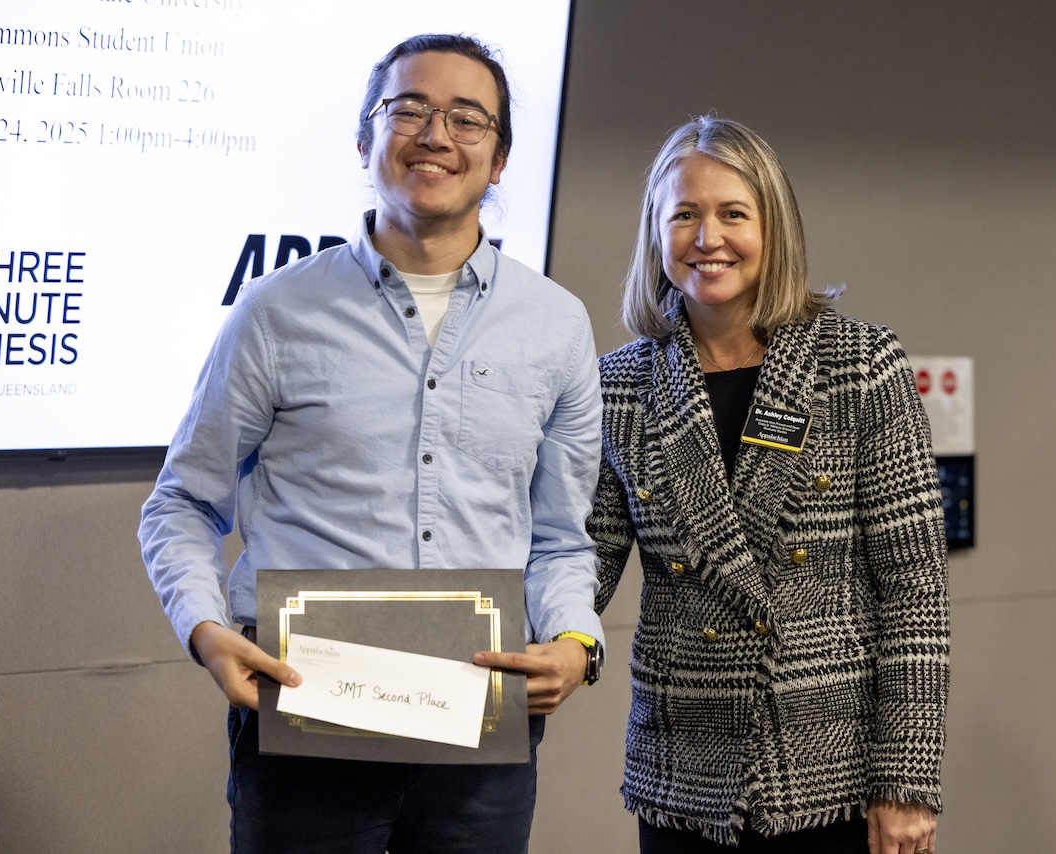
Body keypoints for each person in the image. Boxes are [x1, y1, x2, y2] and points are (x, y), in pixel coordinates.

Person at [138, 33, 605, 854]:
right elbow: (183, 502)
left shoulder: (557, 325)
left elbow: (564, 536)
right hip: (304, 726)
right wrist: (206, 629)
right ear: (364, 139)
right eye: (409, 109)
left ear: (498, 162)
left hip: (480, 736)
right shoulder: (275, 311)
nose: (435, 134)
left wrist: (575, 642)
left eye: (467, 118)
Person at [586, 116, 949, 854]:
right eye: (683, 214)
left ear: (773, 226)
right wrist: (537, 642)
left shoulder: (859, 363)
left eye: (732, 213)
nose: (706, 237)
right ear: (657, 234)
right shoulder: (620, 384)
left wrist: (904, 782)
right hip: (681, 770)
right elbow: (582, 558)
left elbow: (914, 591)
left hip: (831, 773)